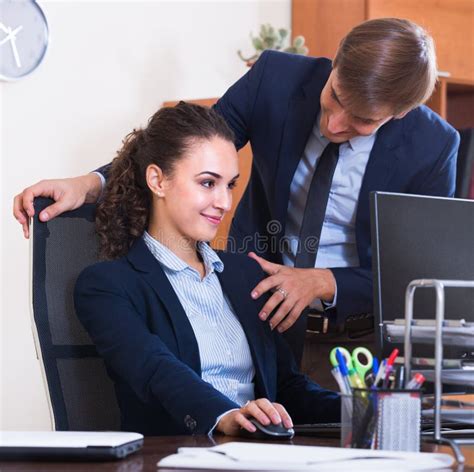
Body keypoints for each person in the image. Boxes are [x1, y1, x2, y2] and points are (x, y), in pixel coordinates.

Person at [14, 19, 459, 385]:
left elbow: (417, 275)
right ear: (336, 62)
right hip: (260, 323)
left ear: (398, 113)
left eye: (362, 120)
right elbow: (181, 151)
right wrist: (90, 183)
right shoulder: (275, 80)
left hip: (358, 345)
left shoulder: (432, 147)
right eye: (335, 97)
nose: (335, 122)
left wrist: (323, 281)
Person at [73, 102, 340, 436]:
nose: (225, 203)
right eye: (207, 183)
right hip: (176, 456)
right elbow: (157, 372)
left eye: (229, 185)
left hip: (258, 452)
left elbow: (287, 388)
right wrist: (225, 415)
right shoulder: (107, 287)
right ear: (157, 180)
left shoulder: (246, 275)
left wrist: (364, 407)